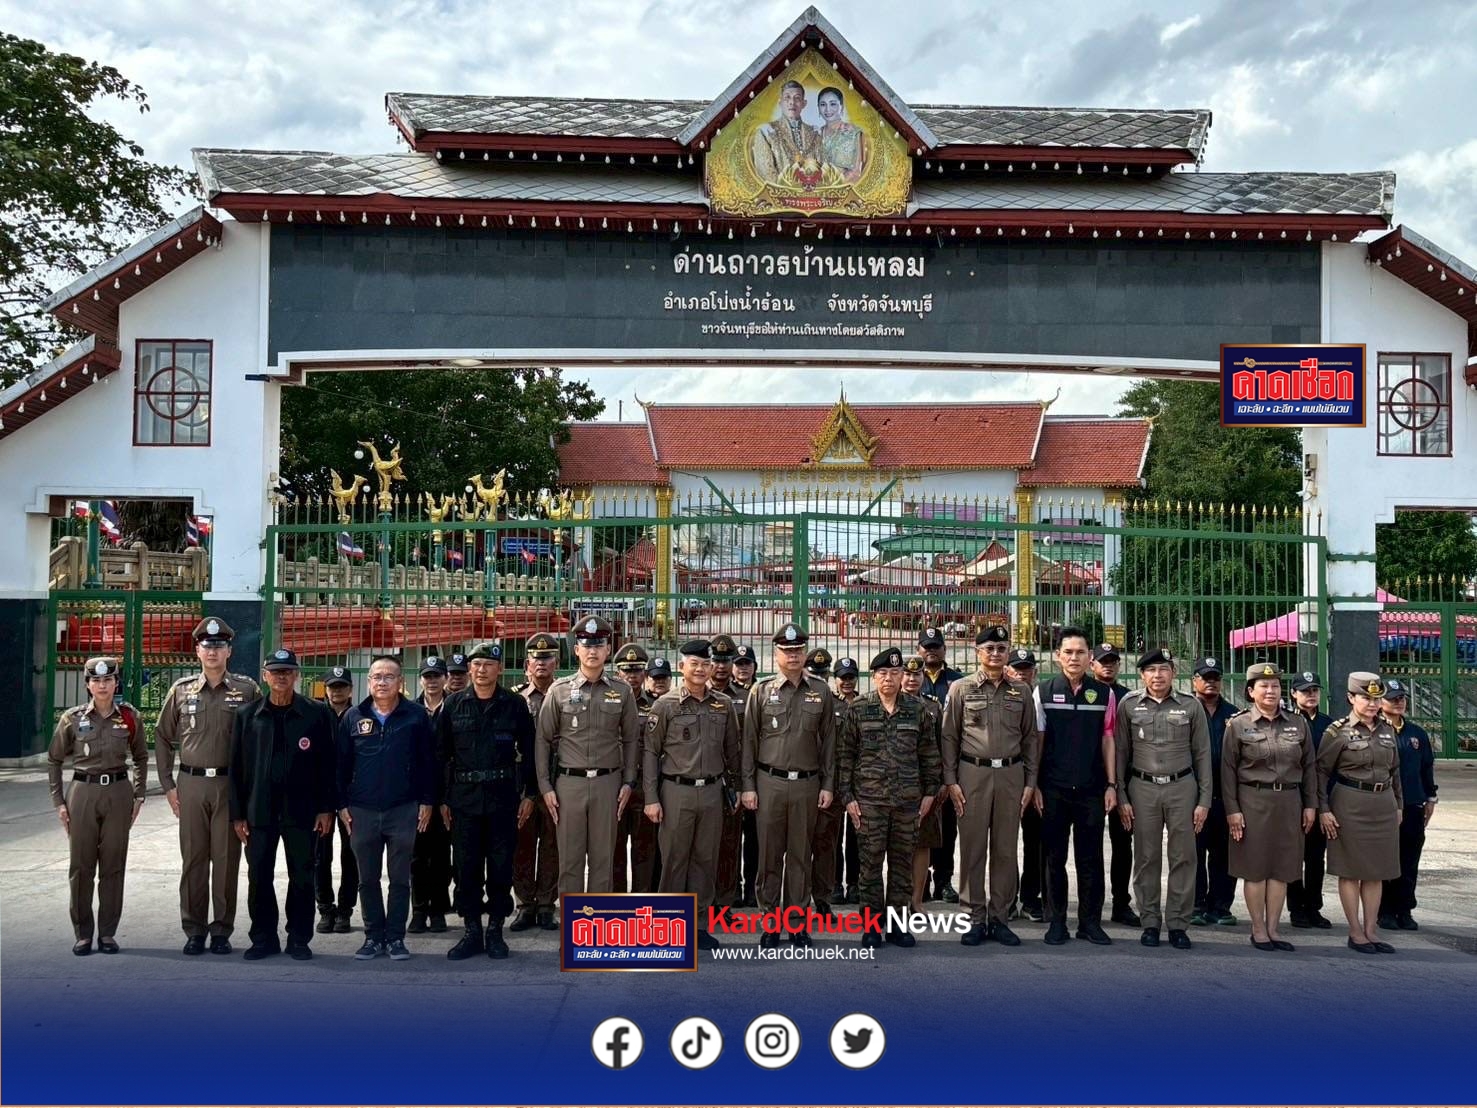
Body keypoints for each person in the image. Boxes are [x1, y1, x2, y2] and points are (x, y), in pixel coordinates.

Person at [155, 617, 262, 956]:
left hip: (230, 785)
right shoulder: (181, 690)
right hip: (191, 784)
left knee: (227, 860)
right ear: (197, 650)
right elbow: (161, 736)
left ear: (229, 650)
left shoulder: (247, 690)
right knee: (194, 860)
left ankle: (221, 930)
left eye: (218, 645)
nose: (212, 651)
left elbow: (260, 738)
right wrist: (168, 785)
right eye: (206, 645)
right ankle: (194, 929)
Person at [229, 649, 337, 961]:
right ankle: (263, 937)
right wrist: (238, 814)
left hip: (302, 811)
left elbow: (327, 766)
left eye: (287, 671)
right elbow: (235, 769)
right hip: (259, 812)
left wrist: (326, 808)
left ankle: (299, 938)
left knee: (302, 876)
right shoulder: (247, 716)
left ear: (297, 675)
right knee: (258, 876)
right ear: (264, 676)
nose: (281, 676)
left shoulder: (316, 714)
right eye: (275, 671)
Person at [741, 621, 837, 947]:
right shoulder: (761, 691)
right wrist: (748, 786)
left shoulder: (821, 691)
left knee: (800, 855)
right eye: (787, 650)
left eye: (798, 650)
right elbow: (749, 743)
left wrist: (827, 785)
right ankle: (770, 922)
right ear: (776, 653)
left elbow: (828, 744)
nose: (793, 655)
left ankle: (796, 922)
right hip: (770, 783)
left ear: (805, 652)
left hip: (808, 784)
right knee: (769, 855)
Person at [437, 642, 535, 962]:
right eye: (476, 664)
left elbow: (530, 753)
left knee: (500, 867)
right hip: (464, 801)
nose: (481, 670)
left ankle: (495, 930)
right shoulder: (453, 705)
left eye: (488, 665)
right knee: (465, 868)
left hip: (502, 798)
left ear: (499, 669)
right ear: (469, 669)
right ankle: (471, 931)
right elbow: (441, 755)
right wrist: (442, 799)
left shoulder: (514, 704)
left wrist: (529, 794)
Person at [942, 626, 1040, 948]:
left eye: (1001, 647)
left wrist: (1030, 782)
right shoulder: (960, 688)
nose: (996, 653)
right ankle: (974, 918)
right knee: (972, 848)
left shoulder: (1021, 691)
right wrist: (951, 781)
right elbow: (949, 737)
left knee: (1006, 849)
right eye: (989, 648)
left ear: (1008, 650)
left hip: (1011, 776)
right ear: (977, 651)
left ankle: (1000, 918)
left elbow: (1029, 740)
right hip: (973, 775)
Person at [838, 649, 942, 948]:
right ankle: (871, 926)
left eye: (895, 674)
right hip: (869, 802)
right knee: (869, 867)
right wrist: (848, 797)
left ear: (902, 677)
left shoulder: (918, 710)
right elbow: (845, 755)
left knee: (901, 866)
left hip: (908, 802)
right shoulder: (859, 708)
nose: (889, 679)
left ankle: (897, 926)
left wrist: (929, 794)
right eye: (883, 674)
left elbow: (929, 754)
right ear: (874, 677)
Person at [337, 655, 437, 961]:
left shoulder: (416, 716)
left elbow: (428, 763)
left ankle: (395, 938)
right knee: (366, 878)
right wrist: (341, 805)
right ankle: (372, 937)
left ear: (400, 682)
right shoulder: (354, 717)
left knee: (399, 879)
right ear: (368, 682)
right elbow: (340, 766)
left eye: (389, 677)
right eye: (376, 676)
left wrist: (427, 801)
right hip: (362, 810)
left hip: (403, 809)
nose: (382, 682)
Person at [643, 639, 741, 950]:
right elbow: (650, 753)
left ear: (712, 667)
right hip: (676, 791)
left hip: (711, 792)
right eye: (693, 664)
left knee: (705, 860)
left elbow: (733, 751)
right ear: (682, 667)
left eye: (705, 664)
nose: (700, 670)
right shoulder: (666, 705)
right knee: (674, 860)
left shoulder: (722, 705)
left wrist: (736, 787)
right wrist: (650, 798)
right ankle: (669, 927)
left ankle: (698, 926)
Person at [48, 656, 147, 955]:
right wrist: (59, 802)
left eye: (108, 680)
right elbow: (54, 759)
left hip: (118, 792)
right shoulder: (72, 718)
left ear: (116, 683)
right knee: (81, 865)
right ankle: (82, 933)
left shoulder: (129, 717)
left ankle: (107, 933)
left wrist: (139, 794)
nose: (102, 685)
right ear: (88, 684)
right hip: (83, 793)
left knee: (113, 865)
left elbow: (141, 757)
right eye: (96, 680)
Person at [535, 616, 641, 896]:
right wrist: (545, 786)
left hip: (608, 783)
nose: (593, 651)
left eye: (599, 645)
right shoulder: (559, 691)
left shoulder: (621, 691)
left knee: (603, 860)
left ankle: (598, 930)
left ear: (608, 649)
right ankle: (573, 932)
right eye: (586, 645)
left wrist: (629, 781)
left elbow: (631, 738)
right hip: (570, 785)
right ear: (576, 650)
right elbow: (543, 740)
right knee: (569, 860)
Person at [1116, 647, 1210, 950]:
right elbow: (1120, 754)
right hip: (1142, 788)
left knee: (1184, 855)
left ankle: (1179, 924)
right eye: (1152, 670)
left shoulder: (1190, 706)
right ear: (1142, 674)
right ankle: (1150, 921)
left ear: (1173, 673)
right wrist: (1121, 795)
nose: (1158, 676)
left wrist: (1204, 800)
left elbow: (1203, 755)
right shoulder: (1129, 705)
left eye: (1164, 669)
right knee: (1146, 856)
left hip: (1182, 786)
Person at [1222, 663, 1316, 953]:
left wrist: (1310, 804)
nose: (1270, 690)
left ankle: (1274, 928)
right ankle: (1258, 928)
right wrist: (1232, 810)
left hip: (1289, 801)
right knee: (1255, 869)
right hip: (1253, 801)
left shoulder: (1297, 724)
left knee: (1282, 869)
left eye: (1275, 685)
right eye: (1264, 686)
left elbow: (1310, 766)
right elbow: (1228, 771)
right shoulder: (1238, 725)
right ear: (1251, 691)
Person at [1035, 627, 1117, 946]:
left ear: (1089, 657)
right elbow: (1037, 742)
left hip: (1091, 789)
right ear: (1058, 657)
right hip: (1053, 789)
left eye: (1080, 652)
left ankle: (1089, 922)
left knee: (1091, 858)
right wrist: (1036, 784)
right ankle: (1056, 921)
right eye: (1067, 652)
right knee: (1054, 858)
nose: (1074, 657)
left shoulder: (1104, 694)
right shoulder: (1042, 692)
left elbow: (1109, 739)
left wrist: (1111, 784)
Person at [1316, 672, 1403, 954]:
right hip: (1349, 805)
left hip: (1383, 804)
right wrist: (1324, 810)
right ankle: (1355, 932)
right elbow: (1320, 773)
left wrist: (1398, 805)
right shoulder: (1337, 731)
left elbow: (1395, 771)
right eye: (1365, 697)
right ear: (1351, 698)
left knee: (1376, 872)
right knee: (1351, 872)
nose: (1372, 703)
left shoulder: (1388, 730)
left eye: (1376, 698)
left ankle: (1371, 930)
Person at [510, 634, 561, 932]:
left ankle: (546, 905)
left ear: (556, 662)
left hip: (558, 781)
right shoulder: (516, 697)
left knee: (553, 845)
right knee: (523, 845)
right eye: (536, 660)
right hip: (524, 783)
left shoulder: (566, 693)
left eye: (547, 659)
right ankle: (525, 904)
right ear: (527, 664)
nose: (541, 664)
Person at [1377, 679, 1437, 932]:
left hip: (1413, 804)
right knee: (1385, 860)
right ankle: (1385, 910)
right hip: (1384, 806)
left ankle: (1405, 908)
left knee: (1409, 859)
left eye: (1401, 697)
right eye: (1393, 698)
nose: (1399, 702)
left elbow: (1426, 767)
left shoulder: (1416, 734)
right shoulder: (1376, 730)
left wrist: (1430, 797)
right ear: (1380, 702)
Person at [1090, 643, 1140, 927]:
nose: (1107, 665)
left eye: (1113, 661)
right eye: (1102, 661)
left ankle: (1121, 902)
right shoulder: (1087, 691)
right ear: (1092, 664)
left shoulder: (1128, 698)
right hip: (1091, 778)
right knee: (1091, 845)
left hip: (1124, 780)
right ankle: (1092, 904)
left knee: (1123, 844)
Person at [1189, 656, 1238, 927]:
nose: (1211, 682)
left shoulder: (1234, 714)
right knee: (1193, 852)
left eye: (1215, 678)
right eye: (1205, 677)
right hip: (1193, 795)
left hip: (1224, 794)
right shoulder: (1185, 709)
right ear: (1194, 680)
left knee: (1224, 853)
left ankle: (1220, 906)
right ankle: (1195, 904)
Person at [1287, 670, 1335, 928]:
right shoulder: (1286, 721)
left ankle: (1314, 907)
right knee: (1294, 856)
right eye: (1305, 690)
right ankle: (1296, 908)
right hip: (1293, 796)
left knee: (1316, 858)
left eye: (1315, 690)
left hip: (1321, 797)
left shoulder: (1330, 724)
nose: (1311, 695)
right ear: (1294, 694)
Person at [919, 626, 964, 905]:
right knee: (921, 827)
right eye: (927, 646)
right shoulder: (910, 679)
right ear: (919, 650)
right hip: (919, 771)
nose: (931, 650)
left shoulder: (958, 682)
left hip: (949, 768)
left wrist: (951, 776)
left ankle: (944, 880)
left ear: (945, 650)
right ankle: (920, 881)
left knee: (948, 828)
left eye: (936, 646)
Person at [409, 655, 453, 934]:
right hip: (416, 795)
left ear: (445, 678)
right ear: (421, 679)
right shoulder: (410, 710)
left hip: (447, 793)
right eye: (428, 676)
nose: (432, 681)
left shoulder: (456, 706)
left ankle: (438, 910)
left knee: (441, 856)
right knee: (416, 856)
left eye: (437, 676)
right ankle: (418, 911)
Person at [612, 644, 659, 894]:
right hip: (613, 784)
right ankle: (617, 902)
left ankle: (643, 902)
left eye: (637, 670)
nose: (632, 676)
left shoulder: (655, 704)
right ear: (618, 673)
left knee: (645, 850)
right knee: (614, 848)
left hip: (643, 785)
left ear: (644, 674)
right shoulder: (608, 700)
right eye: (626, 670)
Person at [315, 667, 358, 935]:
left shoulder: (360, 714)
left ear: (350, 689)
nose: (337, 691)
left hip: (352, 795)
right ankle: (325, 908)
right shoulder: (316, 714)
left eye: (342, 686)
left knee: (350, 854)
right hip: (321, 793)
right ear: (326, 689)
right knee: (321, 855)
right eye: (332, 686)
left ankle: (345, 910)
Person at [803, 647, 844, 917]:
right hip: (801, 782)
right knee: (797, 845)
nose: (819, 677)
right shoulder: (796, 699)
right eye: (814, 672)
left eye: (823, 673)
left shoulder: (838, 704)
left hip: (830, 783)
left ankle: (823, 897)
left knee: (826, 845)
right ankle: (797, 898)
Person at [1006, 646, 1045, 922]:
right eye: (1016, 668)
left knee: (1035, 844)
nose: (1021, 673)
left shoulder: (1042, 698)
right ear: (1007, 670)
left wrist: (1037, 783)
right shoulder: (1002, 697)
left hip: (1037, 784)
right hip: (1007, 779)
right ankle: (1006, 899)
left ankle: (1031, 899)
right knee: (1004, 843)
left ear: (1034, 672)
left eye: (1026, 669)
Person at [710, 634, 748, 909]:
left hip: (733, 781)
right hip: (705, 780)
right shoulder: (693, 692)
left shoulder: (748, 697)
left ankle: (726, 899)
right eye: (715, 660)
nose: (721, 667)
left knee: (730, 844)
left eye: (726, 661)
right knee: (702, 845)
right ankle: (702, 901)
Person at [731, 642, 762, 907]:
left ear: (754, 667)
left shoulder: (762, 692)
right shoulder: (723, 694)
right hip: (731, 775)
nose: (743, 669)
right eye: (739, 664)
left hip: (755, 774)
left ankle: (752, 888)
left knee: (754, 838)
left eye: (747, 664)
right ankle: (731, 889)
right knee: (730, 839)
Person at [750, 79, 822, 185]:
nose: (792, 102)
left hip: (812, 197)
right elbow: (765, 172)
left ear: (804, 103)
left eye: (797, 98)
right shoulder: (766, 131)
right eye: (787, 97)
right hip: (781, 196)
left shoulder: (815, 133)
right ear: (780, 102)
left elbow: (822, 167)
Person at [831, 656, 862, 904]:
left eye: (851, 677)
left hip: (860, 779)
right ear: (835, 680)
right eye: (843, 678)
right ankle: (833, 884)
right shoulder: (828, 704)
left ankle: (854, 883)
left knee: (856, 835)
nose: (847, 682)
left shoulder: (865, 704)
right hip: (834, 777)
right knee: (832, 834)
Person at [816, 85, 869, 183]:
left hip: (844, 191)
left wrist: (832, 188)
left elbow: (856, 171)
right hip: (815, 191)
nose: (828, 109)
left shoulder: (854, 134)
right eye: (823, 104)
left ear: (842, 106)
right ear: (818, 108)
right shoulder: (815, 135)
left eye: (833, 104)